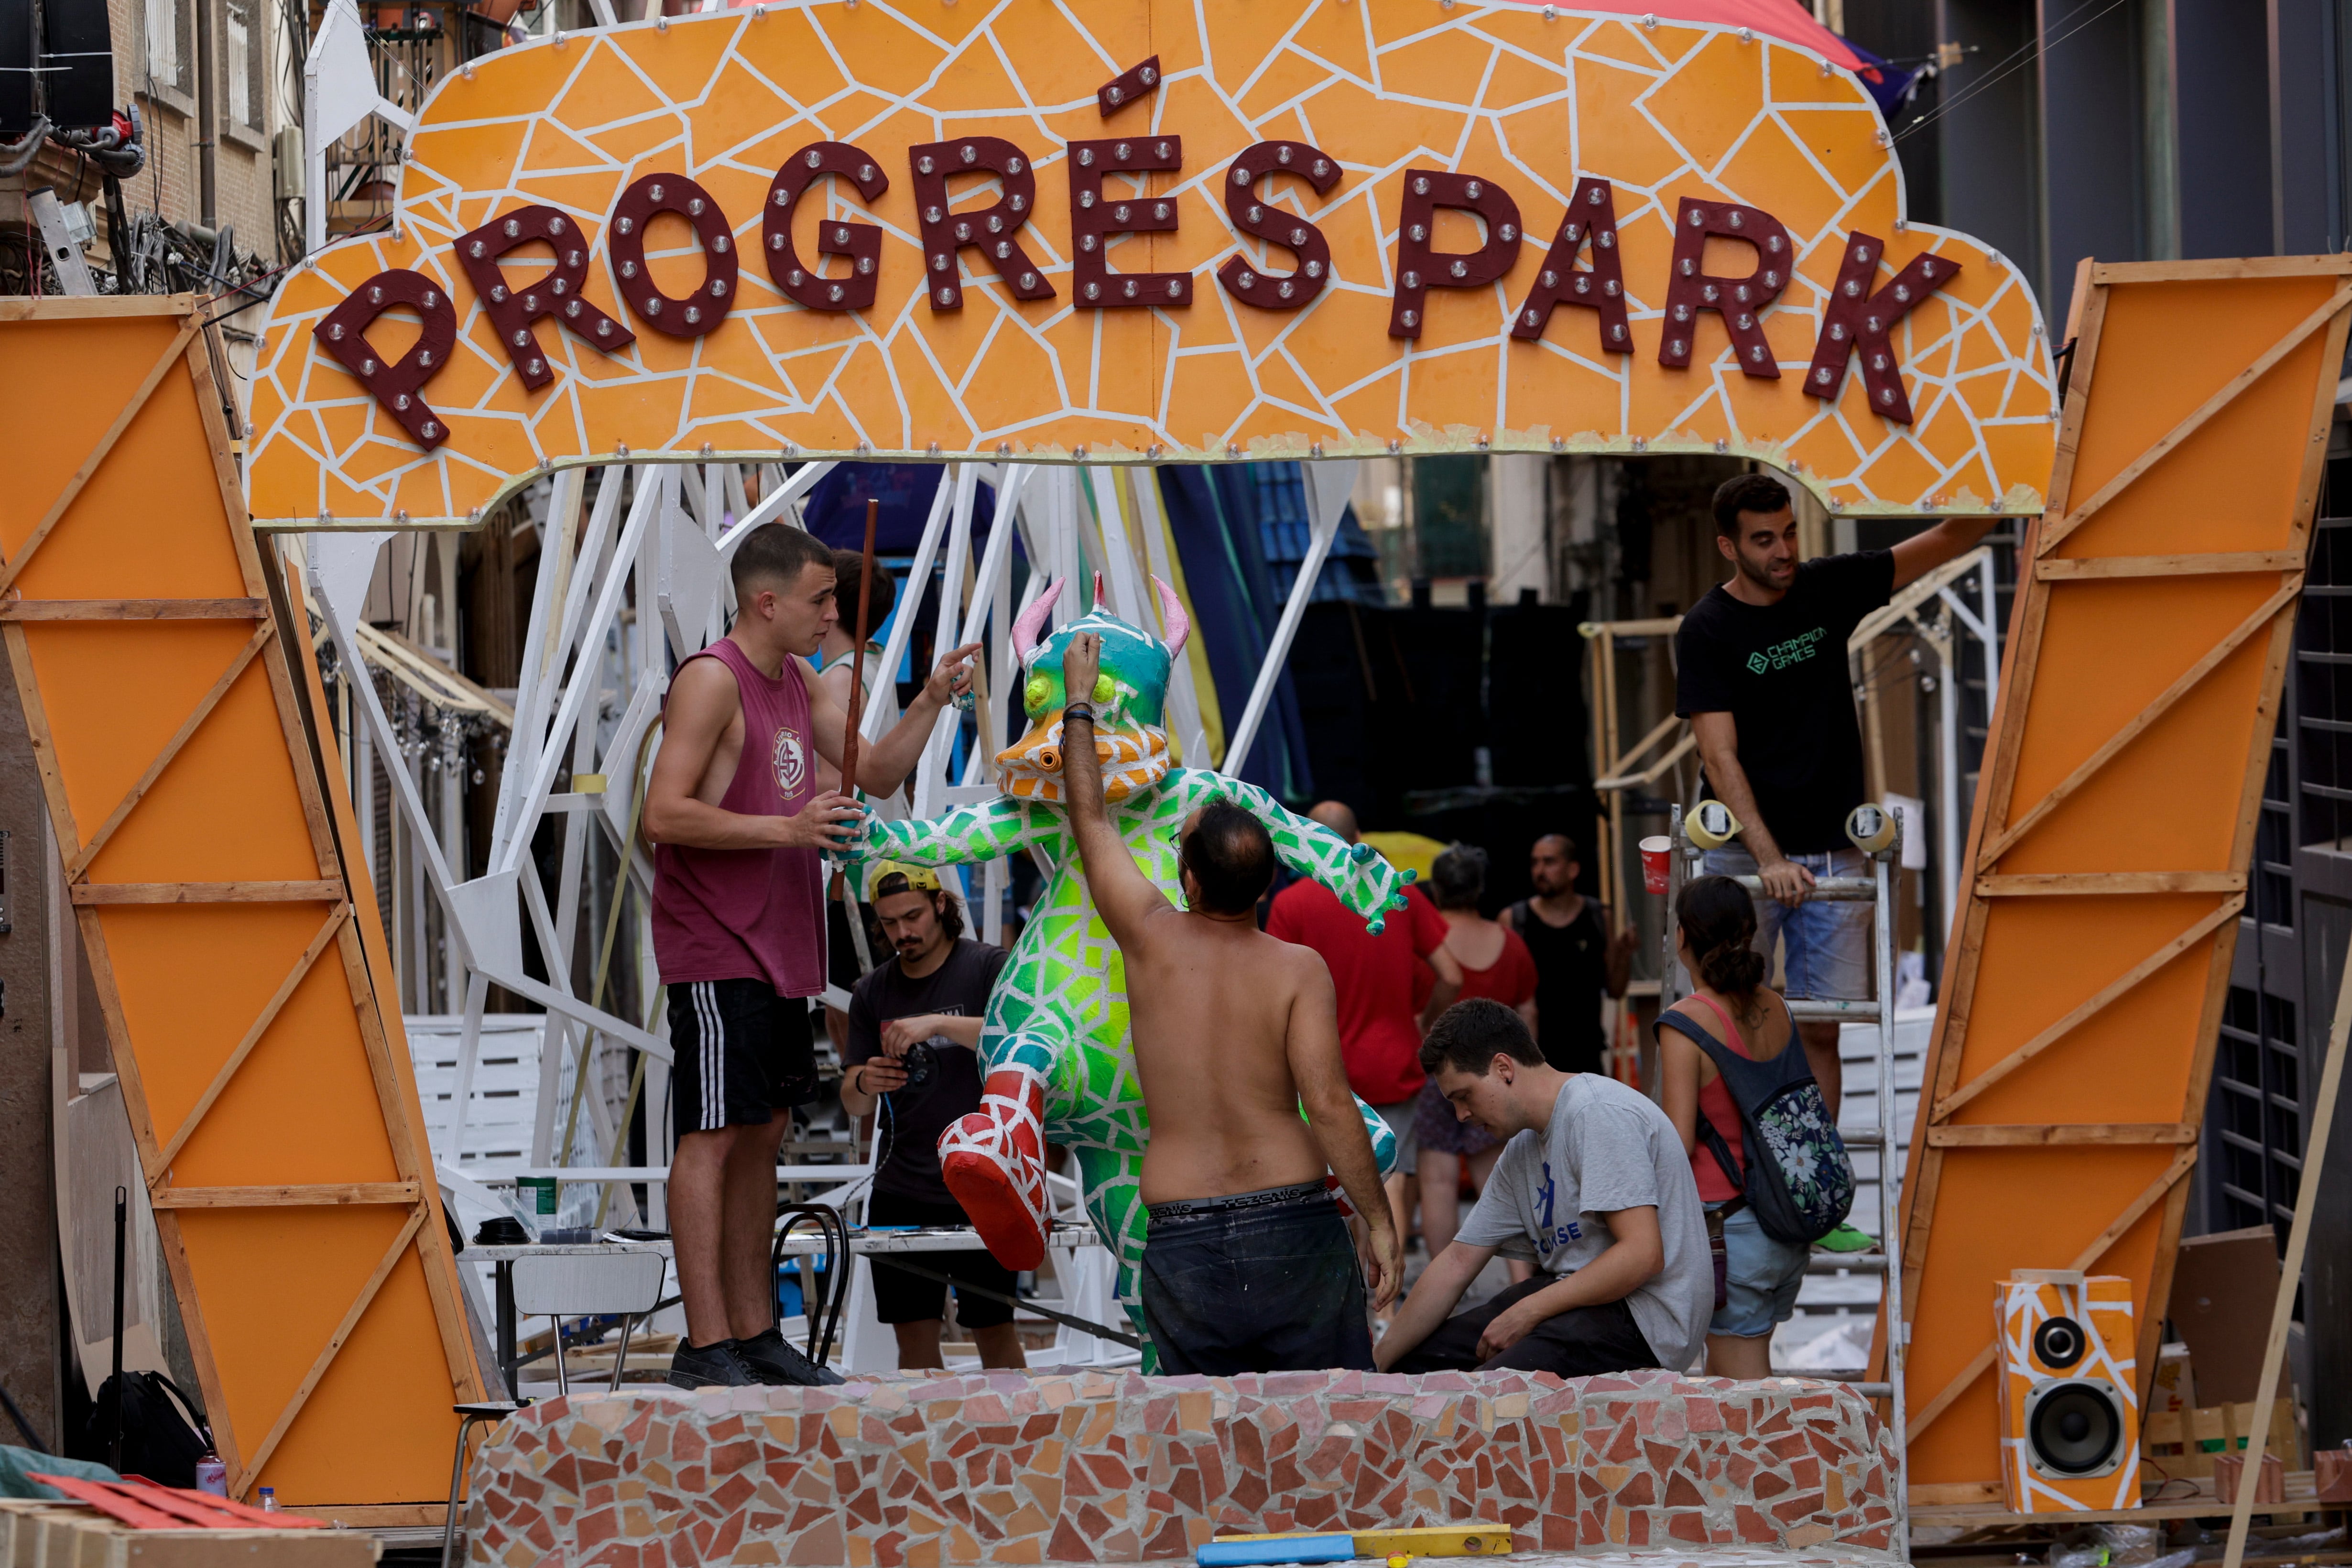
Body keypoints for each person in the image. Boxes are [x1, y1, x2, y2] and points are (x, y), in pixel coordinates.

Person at [643, 520, 980, 1389]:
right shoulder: (714, 681)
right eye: (821, 598)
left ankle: (755, 1335)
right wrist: (788, 828)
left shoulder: (797, 680)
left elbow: (873, 774)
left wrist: (931, 699)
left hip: (777, 946)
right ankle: (705, 1343)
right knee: (713, 1135)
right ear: (767, 602)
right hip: (715, 945)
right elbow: (662, 816)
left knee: (765, 1133)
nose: (835, 614)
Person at [1057, 631, 1401, 1374]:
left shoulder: (1149, 942)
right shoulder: (1298, 969)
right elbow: (1333, 1107)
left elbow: (1089, 818)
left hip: (1181, 1237)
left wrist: (1079, 704)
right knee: (1328, 1433)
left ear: (1188, 881)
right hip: (1294, 1224)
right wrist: (1379, 1222)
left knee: (1202, 1455)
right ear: (1266, 888)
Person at [1676, 473, 1993, 1109]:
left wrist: (1989, 457)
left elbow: (1959, 533)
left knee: (1823, 1029)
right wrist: (1768, 858)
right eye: (1764, 539)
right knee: (1736, 1019)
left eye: (1790, 532)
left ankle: (1812, 1187)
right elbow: (1719, 752)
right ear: (1729, 548)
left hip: (1834, 851)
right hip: (1745, 858)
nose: (1783, 550)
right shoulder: (1707, 629)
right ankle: (1750, 1178)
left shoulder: (1825, 585)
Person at [1374, 999, 1710, 1378]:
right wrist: (1374, 1365)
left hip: (1648, 1320)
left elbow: (1643, 1255)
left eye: (1464, 1096)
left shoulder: (1596, 1112)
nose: (1461, 1116)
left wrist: (1528, 1311)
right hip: (1574, 1301)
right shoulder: (1520, 1149)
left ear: (1503, 1068)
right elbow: (1457, 1262)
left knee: (1485, 1396)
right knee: (1412, 1367)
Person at [838, 864, 1022, 1370]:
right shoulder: (872, 991)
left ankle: (1012, 1442)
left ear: (941, 904)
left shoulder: (987, 965)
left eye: (913, 916)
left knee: (996, 1334)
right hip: (903, 1187)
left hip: (983, 1181)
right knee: (914, 1350)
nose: (903, 933)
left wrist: (937, 1022)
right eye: (890, 922)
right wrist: (864, 1082)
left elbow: (1017, 1035)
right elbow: (852, 1099)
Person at [1265, 801, 1462, 1249]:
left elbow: (1270, 984)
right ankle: (1388, 1304)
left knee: (1337, 1170)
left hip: (1319, 1064)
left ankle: (1356, 1283)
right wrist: (1428, 1021)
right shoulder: (1400, 893)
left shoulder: (1290, 903)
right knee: (1393, 1169)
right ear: (1359, 839)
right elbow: (1451, 973)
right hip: (1396, 1057)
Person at [1655, 875, 1812, 1378]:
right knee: (1745, 1391)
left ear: (1681, 936)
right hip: (1785, 1225)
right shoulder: (1778, 1008)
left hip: (1731, 1231)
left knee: (1742, 1410)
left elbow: (1676, 1143)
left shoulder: (1685, 1023)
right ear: (1750, 930)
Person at [1412, 845, 1537, 1265]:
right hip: (1493, 1076)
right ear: (1480, 888)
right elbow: (1527, 1010)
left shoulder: (1424, 942)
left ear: (1437, 889)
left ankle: (1442, 1290)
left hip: (1435, 1077)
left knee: (1439, 1183)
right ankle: (1522, 1280)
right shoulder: (1510, 943)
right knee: (1499, 1180)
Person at [809, 547, 897, 1055]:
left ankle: (867, 1135)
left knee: (850, 1022)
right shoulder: (876, 670)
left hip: (849, 872)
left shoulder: (840, 679)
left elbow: (825, 781)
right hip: (876, 863)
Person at [1501, 834, 1634, 1074]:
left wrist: (1625, 954)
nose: (1540, 871)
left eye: (1549, 862)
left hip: (1586, 1055)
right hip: (1532, 1058)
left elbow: (1615, 989)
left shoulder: (1598, 916)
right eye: (1535, 863)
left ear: (1573, 869)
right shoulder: (1514, 920)